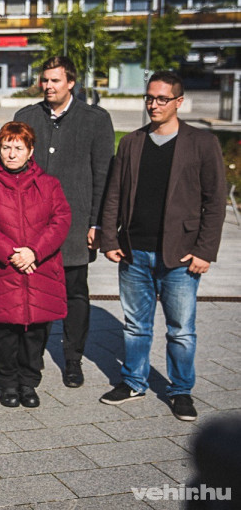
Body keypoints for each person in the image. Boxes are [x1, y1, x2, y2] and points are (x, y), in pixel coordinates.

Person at [99, 72, 226, 421]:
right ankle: (133, 382)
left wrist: (205, 251)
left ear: (178, 102)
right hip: (134, 252)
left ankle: (181, 390)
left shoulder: (202, 143)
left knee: (181, 329)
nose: (153, 105)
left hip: (181, 255)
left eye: (161, 99)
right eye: (150, 98)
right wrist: (109, 238)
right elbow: (114, 194)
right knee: (136, 326)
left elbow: (215, 203)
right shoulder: (132, 143)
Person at [14, 56, 114, 388]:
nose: (48, 86)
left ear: (71, 82)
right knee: (35, 294)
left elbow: (103, 176)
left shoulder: (95, 120)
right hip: (33, 230)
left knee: (75, 295)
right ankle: (31, 358)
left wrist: (96, 223)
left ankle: (73, 359)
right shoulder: (26, 117)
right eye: (44, 80)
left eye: (55, 81)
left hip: (73, 229)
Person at [0, 122, 71, 409]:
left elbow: (60, 220)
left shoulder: (49, 184)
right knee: (5, 334)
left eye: (18, 148)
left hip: (39, 271)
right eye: (6, 147)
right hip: (4, 271)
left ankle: (29, 382)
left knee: (36, 333)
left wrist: (34, 252)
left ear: (31, 151)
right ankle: (8, 383)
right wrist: (12, 253)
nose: (11, 154)